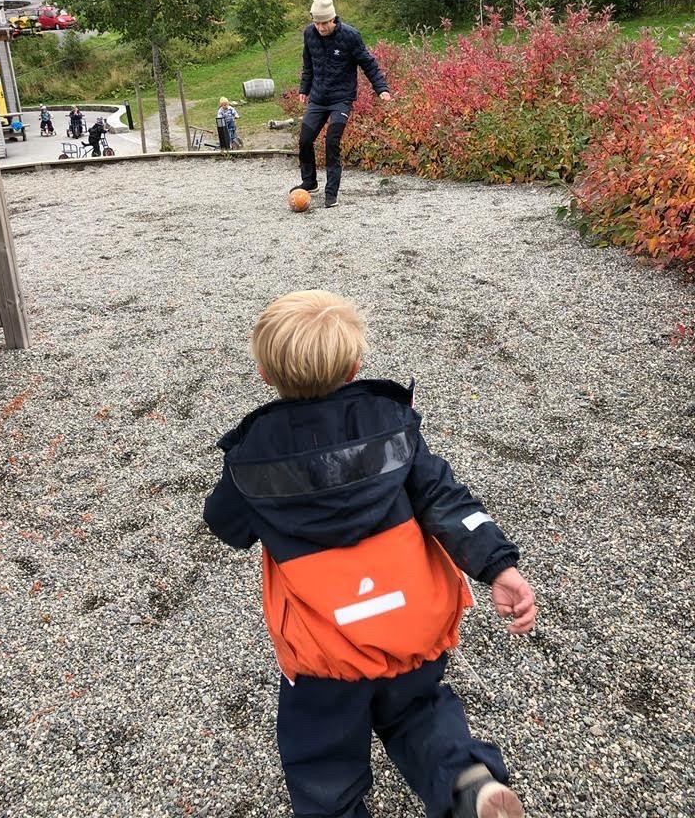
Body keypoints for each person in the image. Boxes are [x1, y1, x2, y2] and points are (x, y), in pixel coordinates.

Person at [203, 290, 536, 818]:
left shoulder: (251, 457)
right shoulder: (393, 425)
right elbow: (445, 498)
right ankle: (465, 783)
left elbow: (226, 526)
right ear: (356, 366)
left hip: (325, 644)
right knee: (419, 708)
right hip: (409, 620)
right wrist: (498, 564)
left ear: (265, 375)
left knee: (322, 751)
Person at [291, 0, 391, 209]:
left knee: (331, 142)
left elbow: (368, 64)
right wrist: (304, 88)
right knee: (305, 140)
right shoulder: (309, 34)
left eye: (324, 23)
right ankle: (309, 182)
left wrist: (381, 88)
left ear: (333, 19)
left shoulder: (350, 36)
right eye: (317, 23)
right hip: (318, 98)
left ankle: (331, 192)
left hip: (341, 99)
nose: (321, 27)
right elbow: (308, 64)